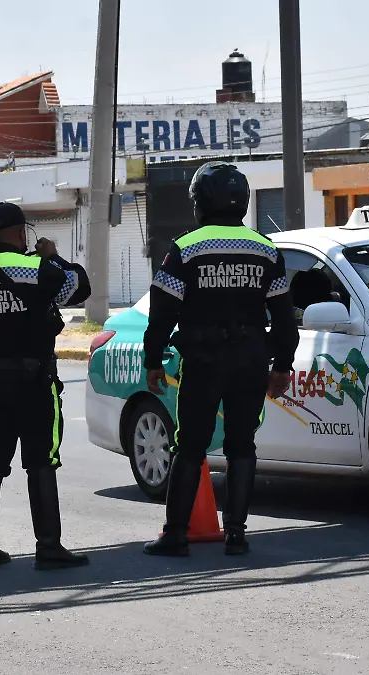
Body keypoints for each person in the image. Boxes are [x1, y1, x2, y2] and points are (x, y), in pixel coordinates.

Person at [141, 161, 300, 557]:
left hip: (202, 360)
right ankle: (237, 535)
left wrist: (153, 360)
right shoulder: (266, 249)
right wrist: (282, 365)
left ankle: (176, 534)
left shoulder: (185, 248)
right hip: (250, 359)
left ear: (200, 203)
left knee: (190, 445)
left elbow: (162, 313)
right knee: (241, 444)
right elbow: (283, 316)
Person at [0, 202, 91, 570]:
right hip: (34, 379)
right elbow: (79, 288)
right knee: (41, 460)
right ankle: (48, 546)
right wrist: (53, 256)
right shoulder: (39, 269)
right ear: (18, 232)